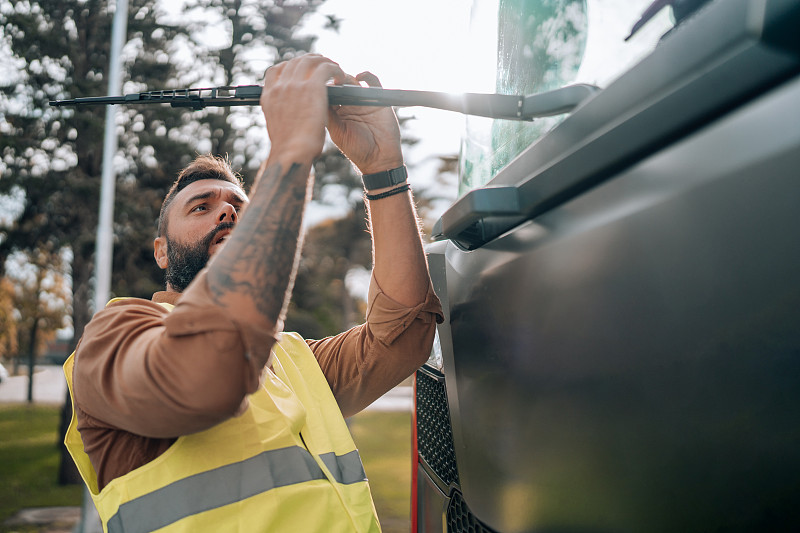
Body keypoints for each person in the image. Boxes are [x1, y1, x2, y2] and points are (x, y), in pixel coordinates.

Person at [63, 54, 443, 532]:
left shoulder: (292, 358)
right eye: (201, 207)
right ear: (161, 252)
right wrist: (290, 152)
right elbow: (209, 366)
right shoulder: (110, 340)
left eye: (239, 206)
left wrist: (384, 169)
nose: (227, 213)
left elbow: (404, 330)